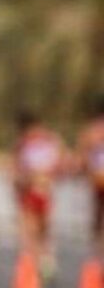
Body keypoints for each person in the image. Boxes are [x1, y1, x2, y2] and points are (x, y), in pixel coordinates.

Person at [12, 109, 65, 280]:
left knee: (41, 230)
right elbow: (16, 171)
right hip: (32, 191)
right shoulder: (25, 142)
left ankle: (44, 263)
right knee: (33, 230)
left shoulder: (46, 141)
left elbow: (60, 164)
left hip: (40, 191)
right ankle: (39, 264)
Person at [79, 98, 104, 262]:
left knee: (98, 221)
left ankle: (98, 255)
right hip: (98, 180)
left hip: (98, 179)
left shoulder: (92, 131)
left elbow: (84, 157)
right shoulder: (92, 132)